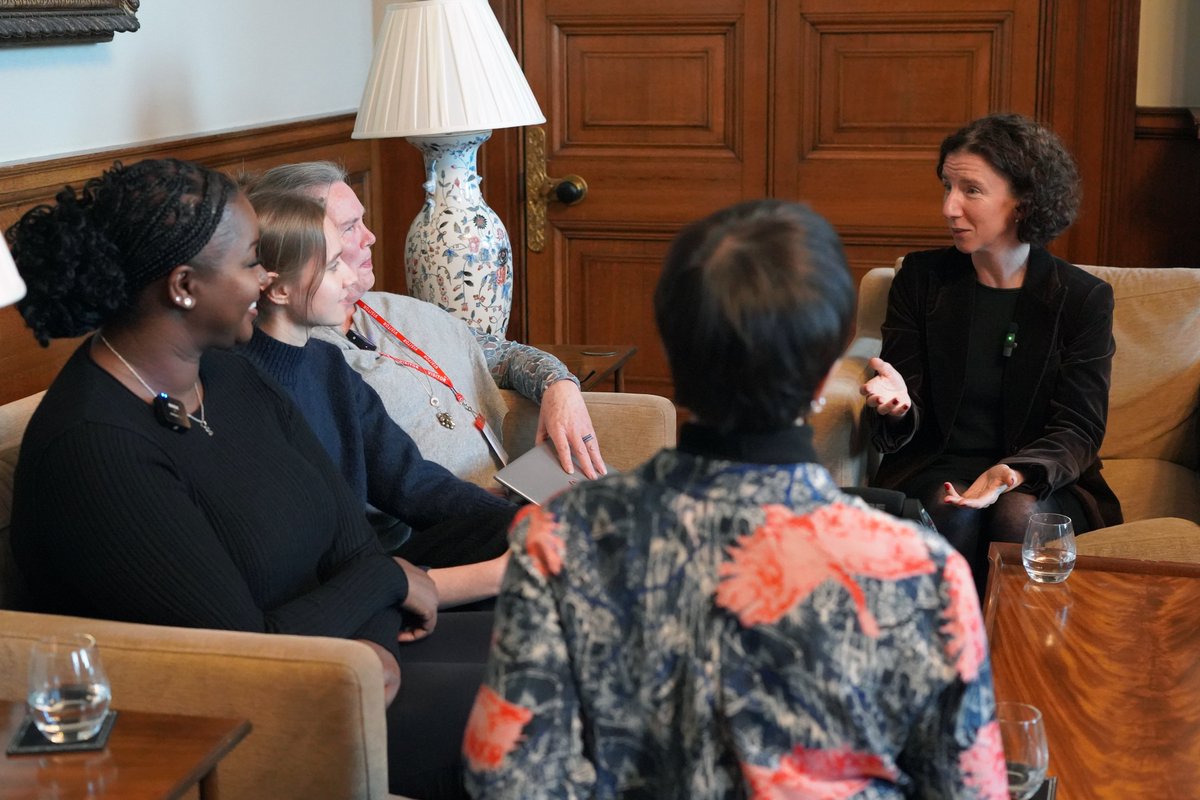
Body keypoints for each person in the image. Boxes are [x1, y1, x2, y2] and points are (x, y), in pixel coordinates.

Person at [463, 200, 1007, 798]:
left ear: (673, 350)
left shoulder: (560, 537)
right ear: (828, 373)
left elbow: (508, 780)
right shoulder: (925, 573)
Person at [6, 159, 488, 798]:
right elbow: (245, 655)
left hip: (359, 662)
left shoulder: (228, 373)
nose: (266, 279)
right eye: (252, 261)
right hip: (275, 723)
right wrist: (383, 584)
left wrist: (373, 634)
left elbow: (350, 539)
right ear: (183, 285)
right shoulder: (94, 451)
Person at [860, 113, 1122, 586]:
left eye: (971, 191)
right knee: (948, 508)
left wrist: (1011, 473)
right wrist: (897, 407)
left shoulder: (1082, 298)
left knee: (1020, 517)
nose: (949, 207)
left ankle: (1018, 654)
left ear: (1023, 201)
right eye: (947, 187)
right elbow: (907, 398)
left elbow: (1079, 426)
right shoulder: (922, 281)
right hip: (937, 464)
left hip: (1039, 473)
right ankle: (945, 652)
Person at [248, 161, 607, 488]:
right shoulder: (302, 356)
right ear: (298, 248)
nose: (369, 237)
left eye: (363, 220)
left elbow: (506, 356)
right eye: (349, 228)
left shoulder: (401, 310)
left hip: (506, 494)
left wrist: (559, 387)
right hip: (439, 529)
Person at [237, 188, 518, 605]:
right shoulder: (239, 388)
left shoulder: (330, 367)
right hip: (326, 591)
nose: (352, 280)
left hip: (370, 568)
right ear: (277, 290)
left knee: (529, 535)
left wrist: (526, 521)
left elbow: (411, 481)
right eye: (334, 267)